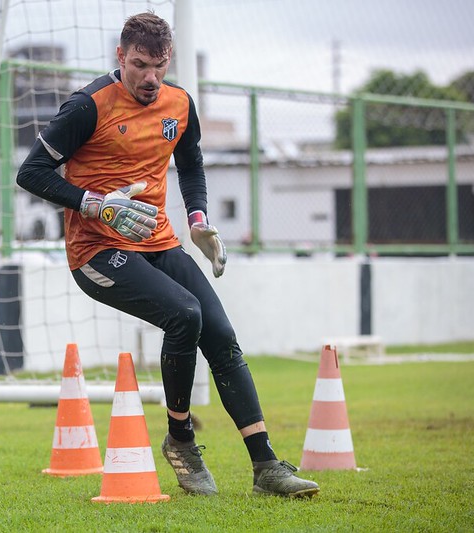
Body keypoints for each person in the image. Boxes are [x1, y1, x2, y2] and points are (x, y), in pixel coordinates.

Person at [16, 11, 319, 498]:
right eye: (139, 65)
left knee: (220, 332)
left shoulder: (179, 102)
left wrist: (197, 219)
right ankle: (181, 441)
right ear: (121, 56)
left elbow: (191, 161)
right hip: (97, 252)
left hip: (157, 241)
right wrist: (95, 204)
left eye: (159, 65)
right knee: (184, 314)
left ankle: (266, 466)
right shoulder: (87, 106)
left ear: (168, 60)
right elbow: (30, 173)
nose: (150, 78)